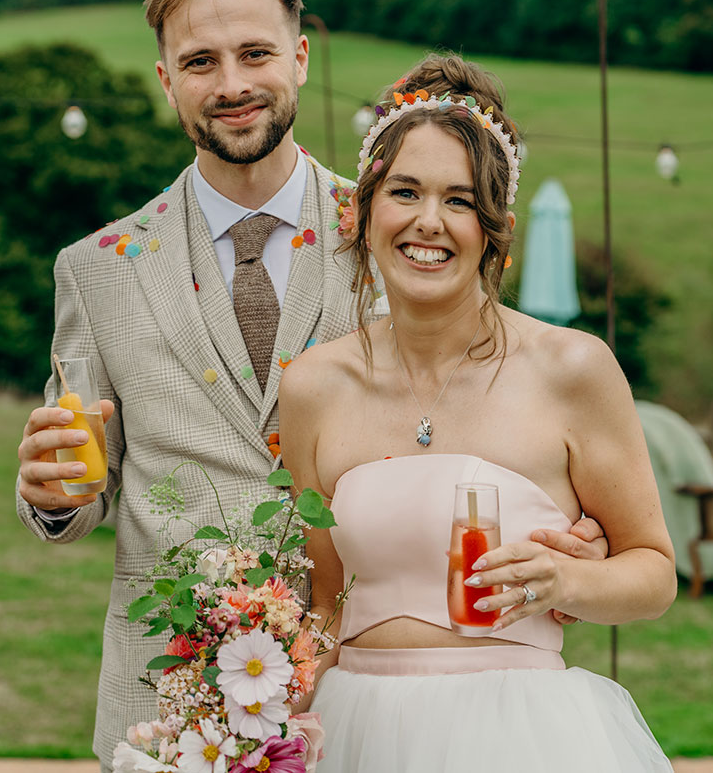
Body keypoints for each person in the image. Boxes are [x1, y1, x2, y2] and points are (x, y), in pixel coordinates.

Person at [13, 0, 608, 764]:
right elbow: (84, 483)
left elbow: (495, 412)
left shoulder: (400, 232)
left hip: (363, 697)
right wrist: (51, 495)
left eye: (254, 53)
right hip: (167, 705)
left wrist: (573, 542)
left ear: (298, 58)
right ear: (165, 79)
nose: (231, 84)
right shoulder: (95, 270)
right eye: (199, 62)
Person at [280, 56, 678, 771]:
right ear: (364, 211)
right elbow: (326, 598)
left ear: (498, 229)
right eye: (404, 191)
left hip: (520, 734)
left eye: (460, 200)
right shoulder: (313, 385)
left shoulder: (573, 369)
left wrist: (570, 582)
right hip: (356, 732)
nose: (428, 221)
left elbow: (653, 571)